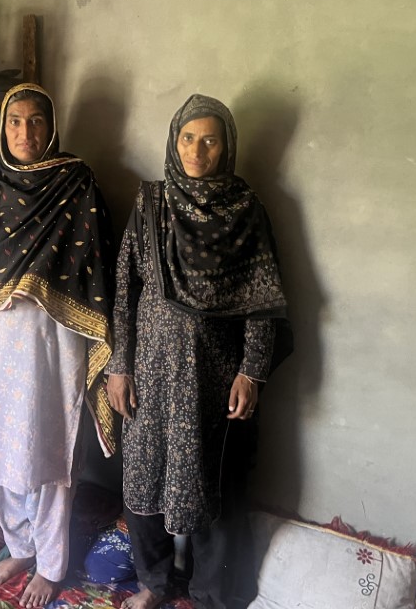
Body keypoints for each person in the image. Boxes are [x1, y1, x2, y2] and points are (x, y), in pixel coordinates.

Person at [106, 94, 291, 609]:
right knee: (143, 477)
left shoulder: (246, 212)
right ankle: (154, 582)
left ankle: (214, 594)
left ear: (226, 147)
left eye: (210, 140)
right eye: (188, 138)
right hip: (149, 369)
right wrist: (119, 366)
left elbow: (263, 301)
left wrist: (252, 372)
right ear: (174, 141)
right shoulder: (151, 204)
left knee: (213, 484)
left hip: (215, 376)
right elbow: (125, 288)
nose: (197, 150)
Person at [0, 83, 116, 608]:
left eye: (36, 121)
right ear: (3, 128)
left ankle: (51, 565)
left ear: (51, 128)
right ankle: (20, 546)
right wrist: (2, 287)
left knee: (45, 445)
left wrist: (32, 284)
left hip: (51, 336)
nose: (25, 132)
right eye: (15, 121)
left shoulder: (76, 183)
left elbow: (93, 262)